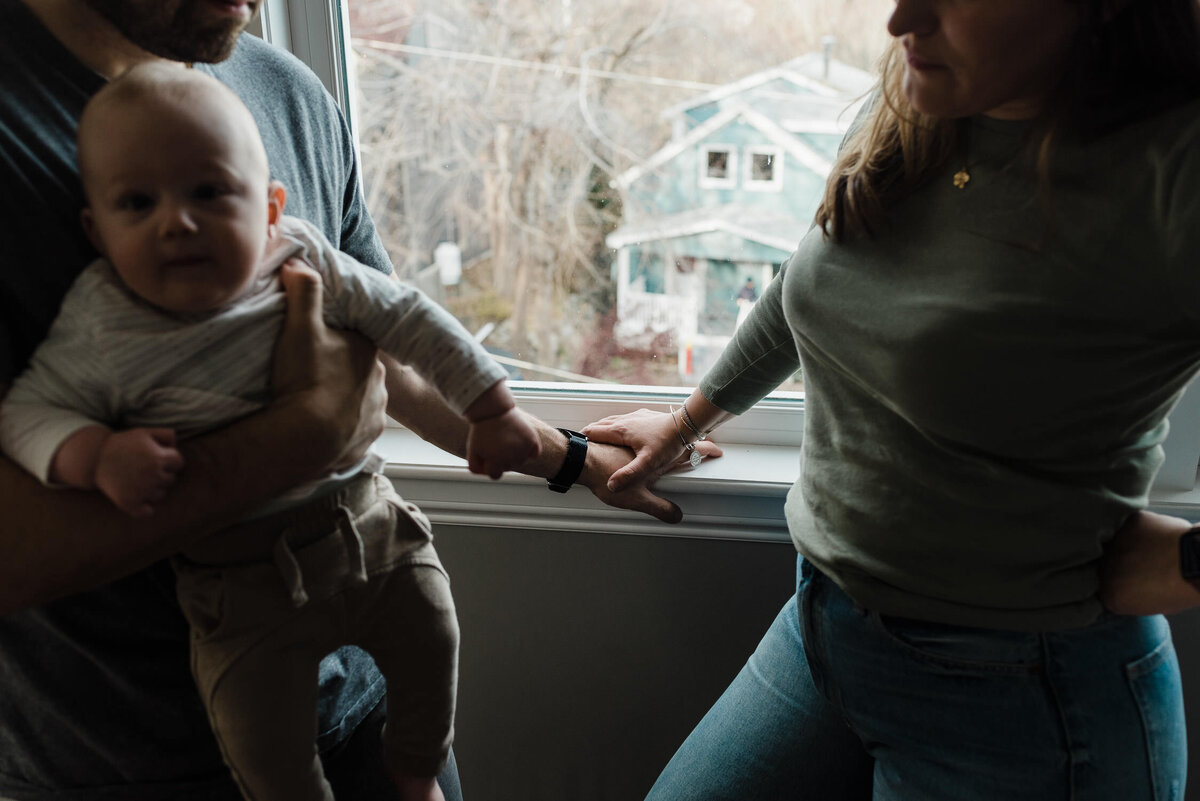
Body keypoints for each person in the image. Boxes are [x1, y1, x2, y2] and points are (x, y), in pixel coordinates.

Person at [0, 1, 712, 798]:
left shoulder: (282, 92)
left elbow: (391, 349)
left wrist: (576, 457)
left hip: (368, 702)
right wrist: (295, 440)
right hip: (129, 764)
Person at [583, 0, 1200, 798]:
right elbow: (812, 281)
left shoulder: (1172, 167)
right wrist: (685, 420)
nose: (902, 18)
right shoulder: (917, 96)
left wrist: (1189, 560)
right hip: (822, 632)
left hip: (1023, 705)